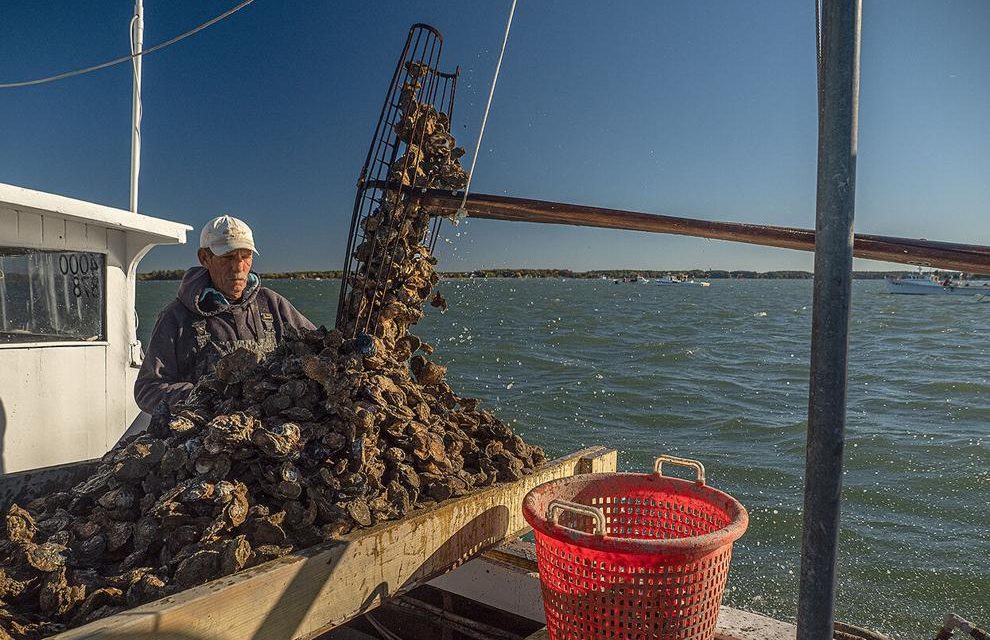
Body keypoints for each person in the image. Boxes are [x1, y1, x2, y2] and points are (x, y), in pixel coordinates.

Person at [135, 215, 316, 414]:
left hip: (268, 428)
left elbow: (317, 347)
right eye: (228, 257)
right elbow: (147, 389)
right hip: (207, 437)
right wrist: (203, 397)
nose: (238, 267)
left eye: (245, 256)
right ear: (205, 258)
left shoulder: (271, 304)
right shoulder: (176, 317)